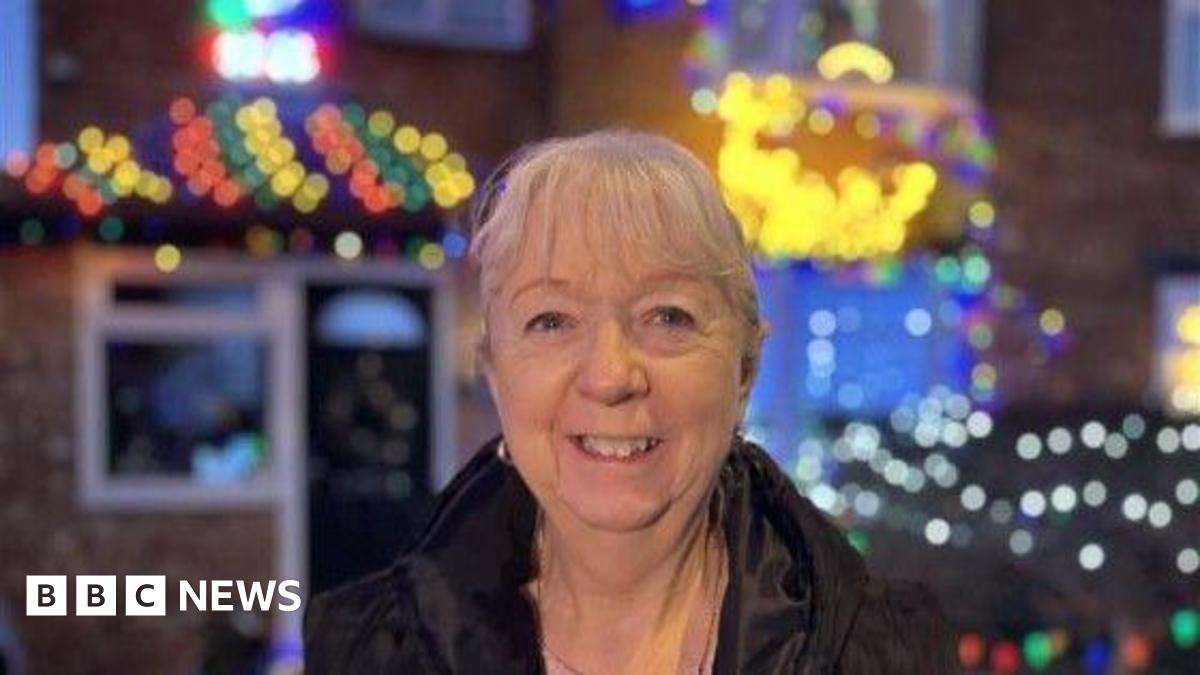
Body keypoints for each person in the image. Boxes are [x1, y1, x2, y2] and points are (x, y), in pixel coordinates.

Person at [303, 130, 956, 674]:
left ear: (744, 369)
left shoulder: (884, 654)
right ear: (495, 372)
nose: (611, 375)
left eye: (668, 316)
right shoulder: (369, 651)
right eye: (551, 320)